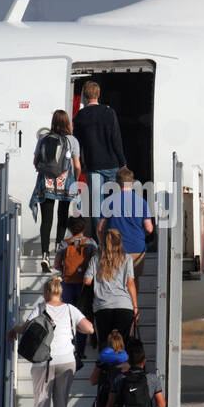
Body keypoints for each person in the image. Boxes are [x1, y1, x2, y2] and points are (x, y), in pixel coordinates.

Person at [7, 276, 93, 407]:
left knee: (41, 406)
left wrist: (13, 331)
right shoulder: (70, 309)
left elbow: (26, 328)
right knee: (61, 405)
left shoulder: (40, 308)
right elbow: (89, 329)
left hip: (43, 363)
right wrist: (73, 328)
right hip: (66, 362)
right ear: (60, 292)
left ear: (47, 291)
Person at [72, 80, 127, 231]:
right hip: (112, 164)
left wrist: (82, 163)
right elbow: (116, 139)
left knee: (97, 206)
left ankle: (101, 241)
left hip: (93, 165)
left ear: (84, 96)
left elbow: (78, 144)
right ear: (98, 94)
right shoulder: (109, 113)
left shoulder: (80, 117)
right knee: (115, 203)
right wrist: (122, 162)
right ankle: (115, 237)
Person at [32, 109, 82, 271]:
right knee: (62, 217)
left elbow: (35, 161)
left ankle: (45, 255)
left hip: (45, 182)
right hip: (64, 184)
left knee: (46, 220)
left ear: (53, 122)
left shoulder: (43, 138)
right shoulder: (72, 140)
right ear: (67, 122)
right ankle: (60, 253)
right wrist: (75, 179)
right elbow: (77, 166)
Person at [102, 338, 167, 407]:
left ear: (128, 361)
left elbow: (109, 405)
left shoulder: (119, 379)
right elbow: (161, 405)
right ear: (144, 361)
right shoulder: (152, 379)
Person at [54, 216, 97, 365]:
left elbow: (56, 265)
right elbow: (95, 264)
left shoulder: (64, 244)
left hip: (67, 284)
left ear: (70, 229)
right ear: (83, 228)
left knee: (67, 318)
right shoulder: (91, 243)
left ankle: (67, 347)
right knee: (83, 316)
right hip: (84, 285)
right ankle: (80, 349)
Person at [83, 229, 138, 345]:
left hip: (102, 305)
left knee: (105, 342)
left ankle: (106, 362)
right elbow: (130, 283)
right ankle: (122, 362)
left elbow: (87, 281)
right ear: (120, 242)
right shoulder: (127, 259)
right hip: (124, 305)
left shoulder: (95, 259)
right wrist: (135, 306)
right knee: (123, 342)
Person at [97, 166, 154, 276]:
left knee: (116, 281)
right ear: (132, 182)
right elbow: (149, 228)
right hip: (136, 247)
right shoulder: (142, 202)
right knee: (133, 280)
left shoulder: (109, 202)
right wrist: (142, 234)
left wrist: (103, 244)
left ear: (117, 183)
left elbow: (100, 229)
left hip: (115, 249)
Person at [89, 329, 129, 407]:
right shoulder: (127, 360)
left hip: (105, 399)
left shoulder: (103, 360)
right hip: (122, 402)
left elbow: (92, 381)